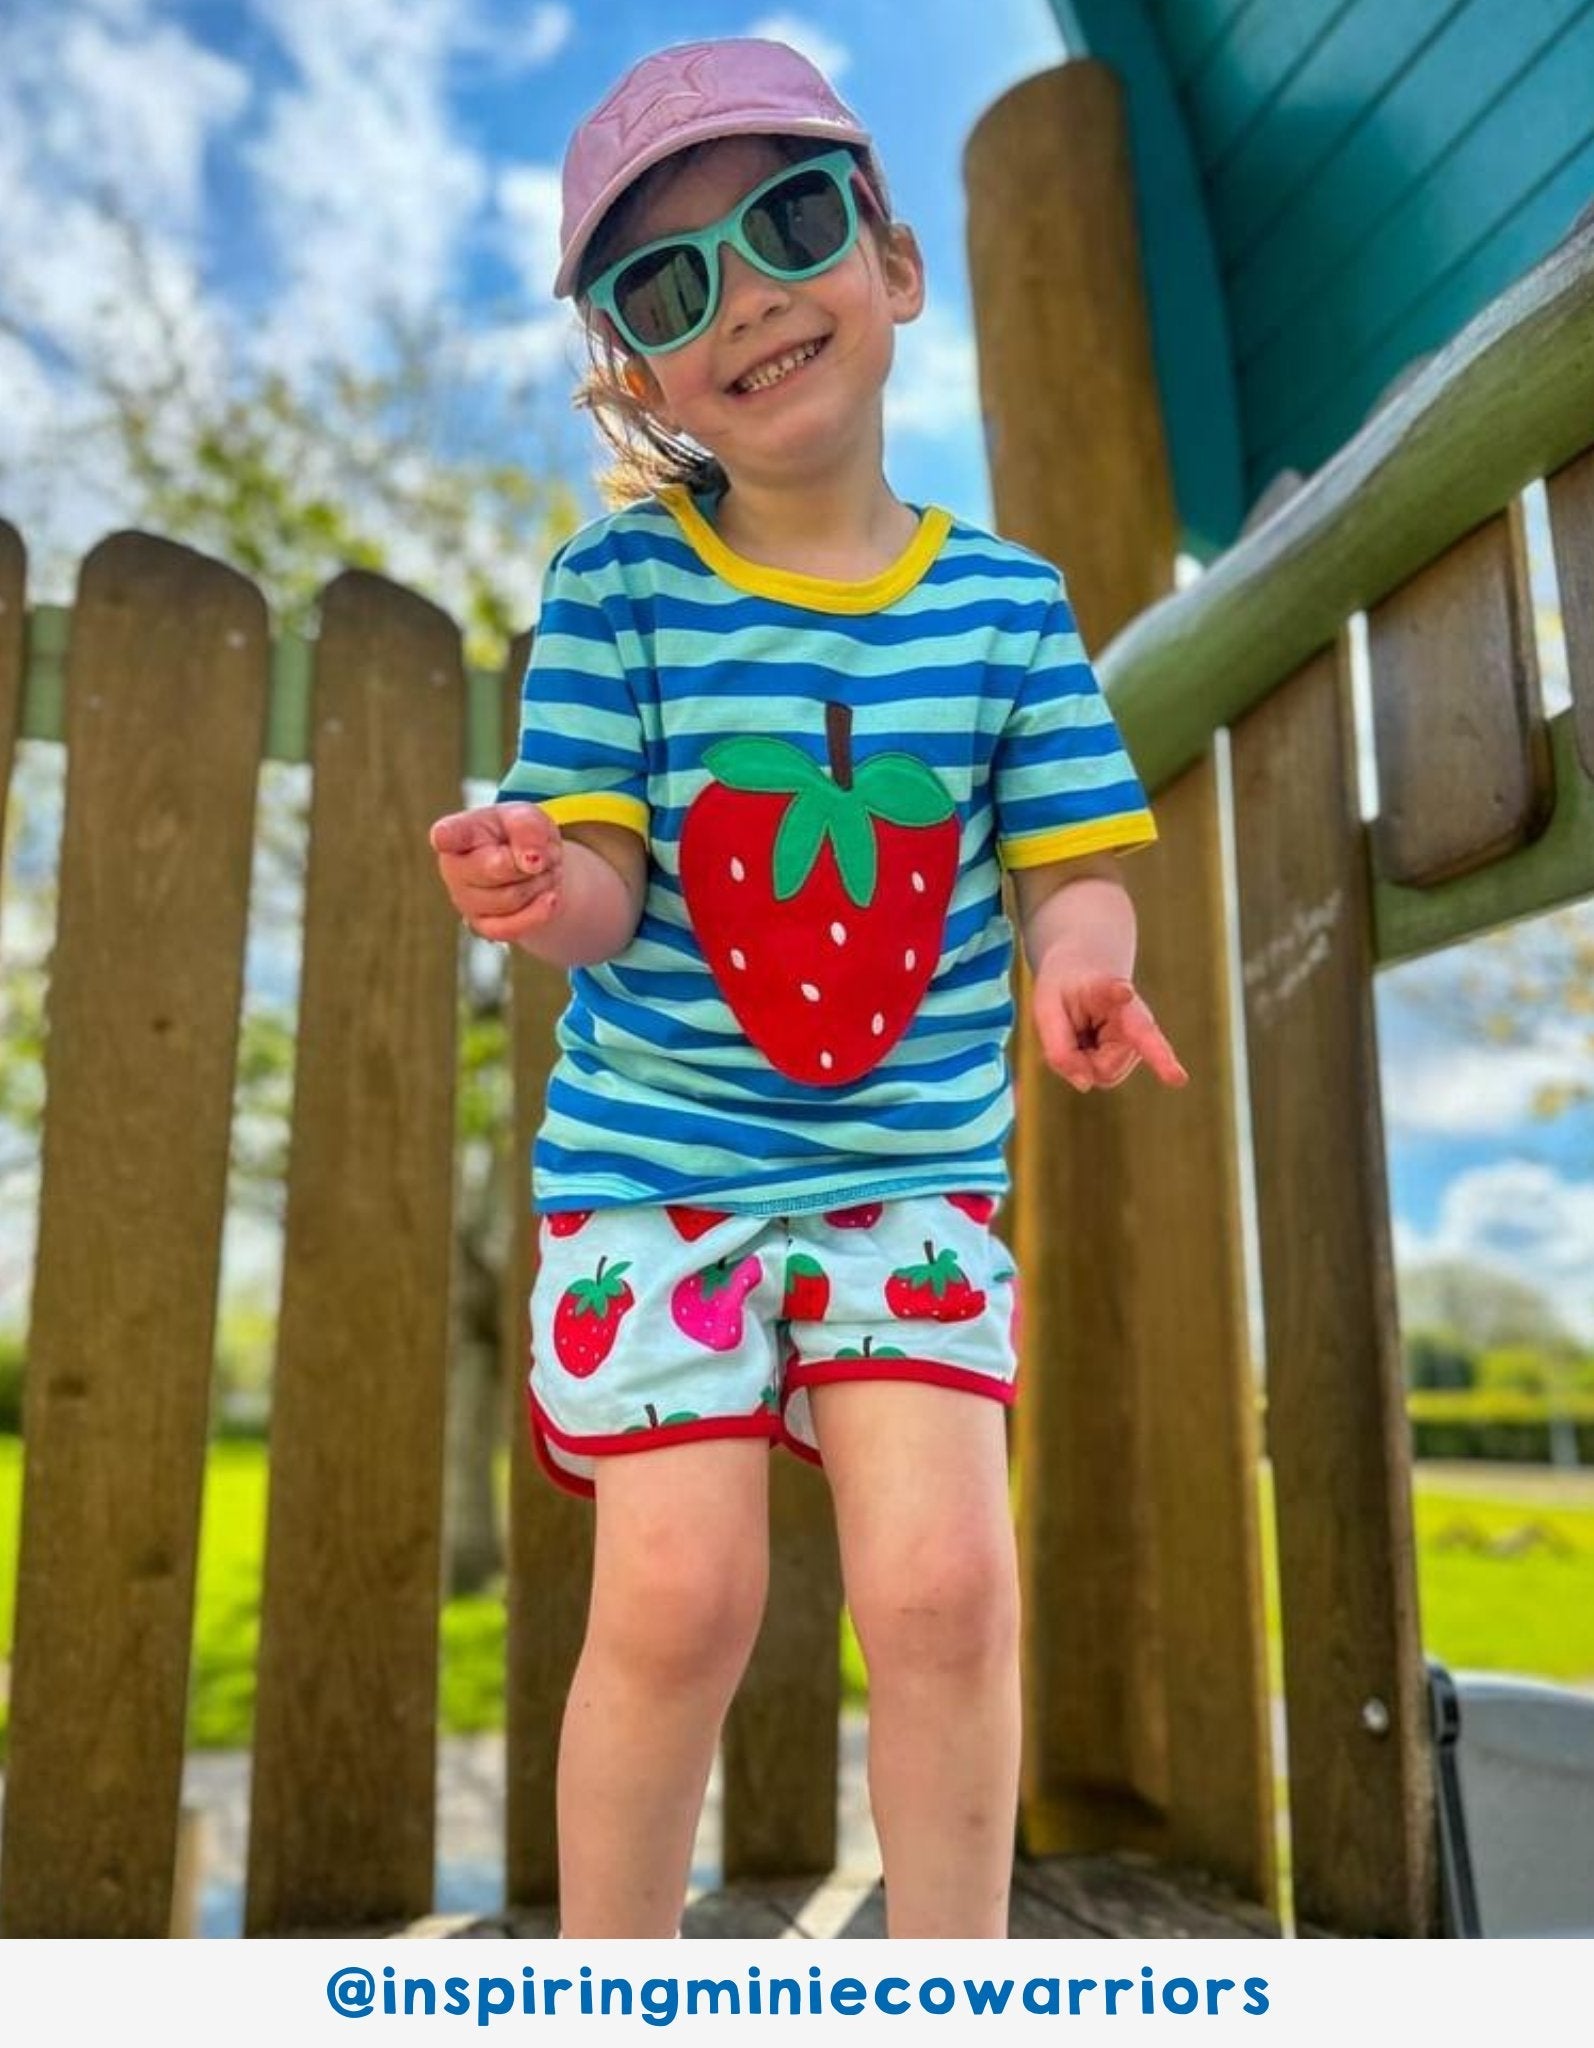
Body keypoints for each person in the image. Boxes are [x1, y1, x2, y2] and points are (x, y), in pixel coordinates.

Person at [429, 35, 1188, 1940]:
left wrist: (1081, 972)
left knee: (943, 1586)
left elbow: (1070, 860)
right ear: (639, 366)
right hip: (656, 1173)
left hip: (906, 1175)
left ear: (892, 263)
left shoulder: (1007, 605)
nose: (746, 293)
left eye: (787, 222)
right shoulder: (615, 595)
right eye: (666, 283)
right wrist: (541, 882)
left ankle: (953, 1978)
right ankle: (616, 1981)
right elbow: (606, 890)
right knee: (680, 1598)